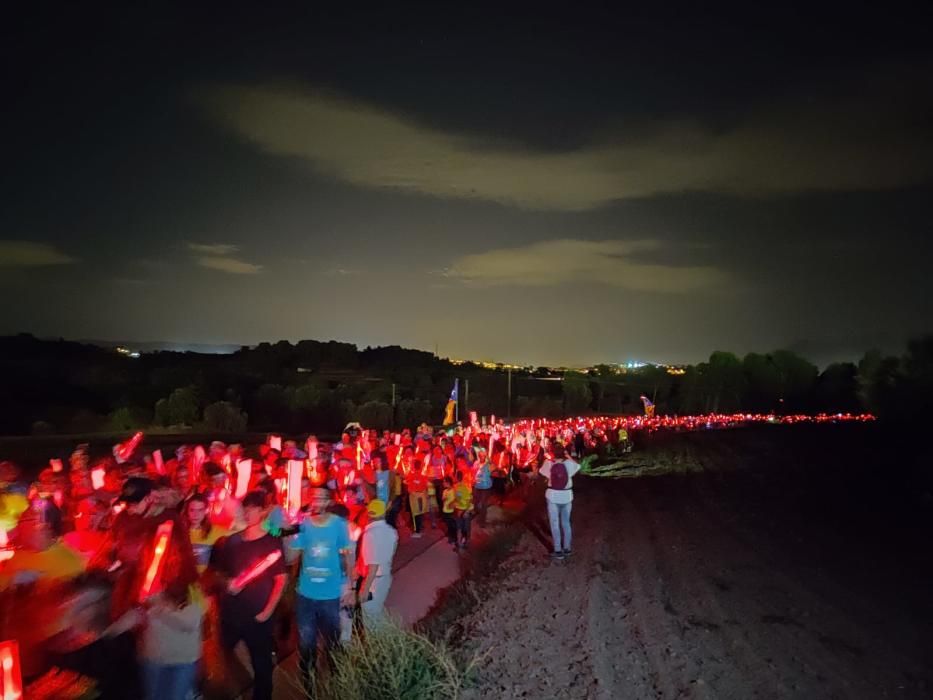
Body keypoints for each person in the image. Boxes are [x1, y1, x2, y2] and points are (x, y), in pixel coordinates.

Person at [209, 490, 287, 700]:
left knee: (261, 666)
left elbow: (281, 580)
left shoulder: (271, 543)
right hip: (231, 614)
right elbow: (217, 572)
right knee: (220, 658)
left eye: (253, 509)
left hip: (257, 616)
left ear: (263, 512)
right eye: (245, 508)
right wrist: (227, 583)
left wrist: (267, 611)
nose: (247, 513)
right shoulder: (232, 541)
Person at [289, 487, 354, 692]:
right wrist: (291, 529)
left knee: (332, 640)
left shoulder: (339, 525)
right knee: (306, 642)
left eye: (321, 498)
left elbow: (347, 555)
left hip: (330, 595)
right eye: (313, 498)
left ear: (329, 502)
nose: (316, 502)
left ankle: (337, 681)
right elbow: (292, 557)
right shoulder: (304, 525)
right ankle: (309, 681)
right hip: (306, 595)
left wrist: (349, 587)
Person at [137, 583, 205, 700]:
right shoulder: (154, 596)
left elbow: (188, 623)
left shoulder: (194, 596)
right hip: (154, 661)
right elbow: (137, 613)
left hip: (181, 662)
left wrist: (157, 611)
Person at [356, 499, 397, 624]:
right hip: (385, 576)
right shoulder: (392, 531)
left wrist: (365, 588)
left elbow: (373, 565)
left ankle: (378, 642)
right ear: (383, 514)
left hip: (374, 581)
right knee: (377, 614)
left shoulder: (370, 534)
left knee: (371, 619)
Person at [539, 444, 580, 560]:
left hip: (552, 496)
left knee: (554, 523)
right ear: (564, 452)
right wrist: (568, 456)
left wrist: (548, 459)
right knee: (566, 523)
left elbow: (541, 472)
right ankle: (567, 548)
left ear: (552, 452)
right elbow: (578, 466)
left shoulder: (549, 463)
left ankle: (558, 550)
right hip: (567, 496)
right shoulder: (568, 464)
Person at [183, 493, 229, 573]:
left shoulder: (216, 531)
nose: (195, 514)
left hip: (205, 581)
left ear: (206, 511)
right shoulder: (181, 532)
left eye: (200, 510)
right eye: (192, 510)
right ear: (187, 511)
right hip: (184, 580)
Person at [452, 470, 474, 550]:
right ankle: (465, 543)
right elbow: (470, 499)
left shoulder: (455, 487)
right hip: (465, 511)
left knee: (460, 528)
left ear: (456, 478)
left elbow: (457, 499)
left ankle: (461, 543)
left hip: (460, 511)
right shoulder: (466, 486)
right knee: (466, 528)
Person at [441, 476, 458, 550]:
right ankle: (451, 538)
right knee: (449, 525)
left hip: (451, 511)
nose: (443, 483)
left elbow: (458, 498)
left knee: (453, 526)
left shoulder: (454, 490)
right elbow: (443, 499)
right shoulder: (445, 491)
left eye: (444, 482)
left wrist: (453, 503)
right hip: (445, 511)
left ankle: (455, 540)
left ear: (448, 482)